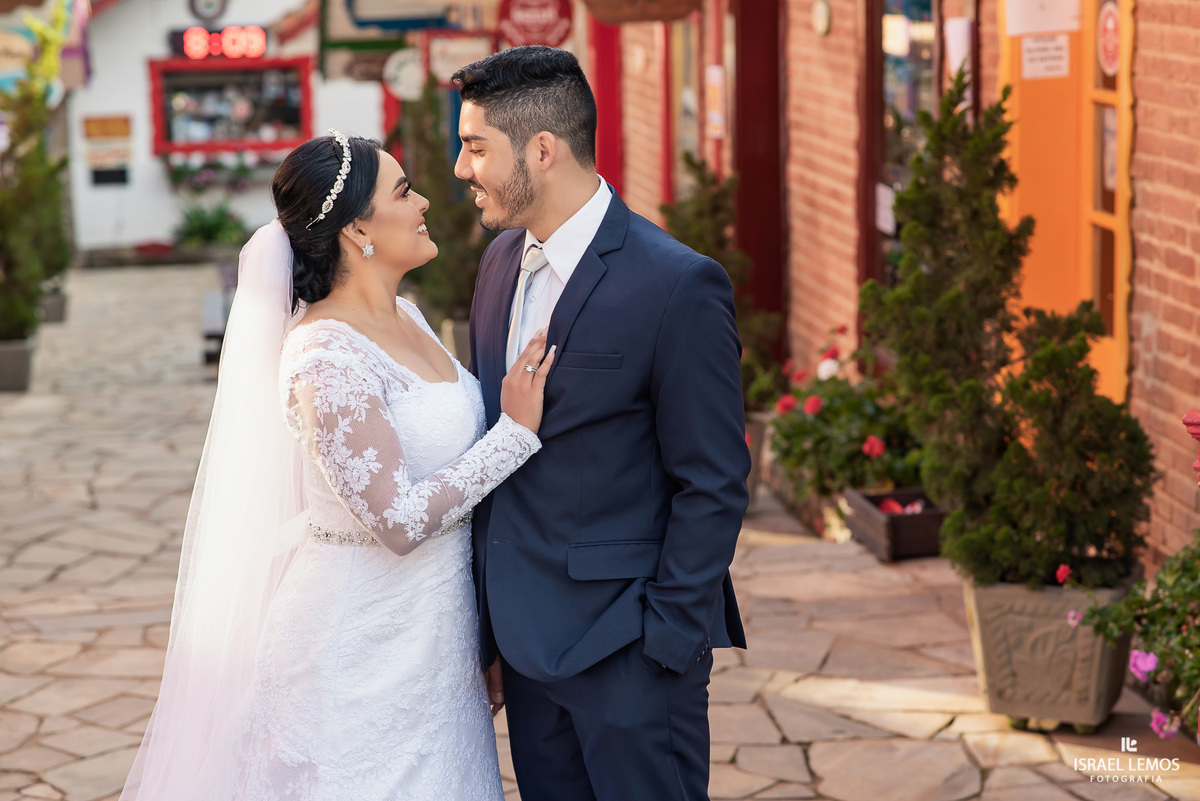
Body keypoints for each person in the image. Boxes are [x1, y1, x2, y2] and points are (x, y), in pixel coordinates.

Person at [119, 131, 555, 801]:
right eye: (404, 191)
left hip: (435, 637)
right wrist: (514, 434)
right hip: (355, 646)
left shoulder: (410, 314)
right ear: (357, 227)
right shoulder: (325, 356)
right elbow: (397, 518)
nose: (425, 202)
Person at [454, 46, 750, 801]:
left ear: (543, 150)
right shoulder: (496, 267)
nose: (461, 168)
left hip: (631, 657)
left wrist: (667, 641)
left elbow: (713, 481)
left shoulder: (677, 284)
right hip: (524, 656)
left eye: (476, 146)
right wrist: (491, 634)